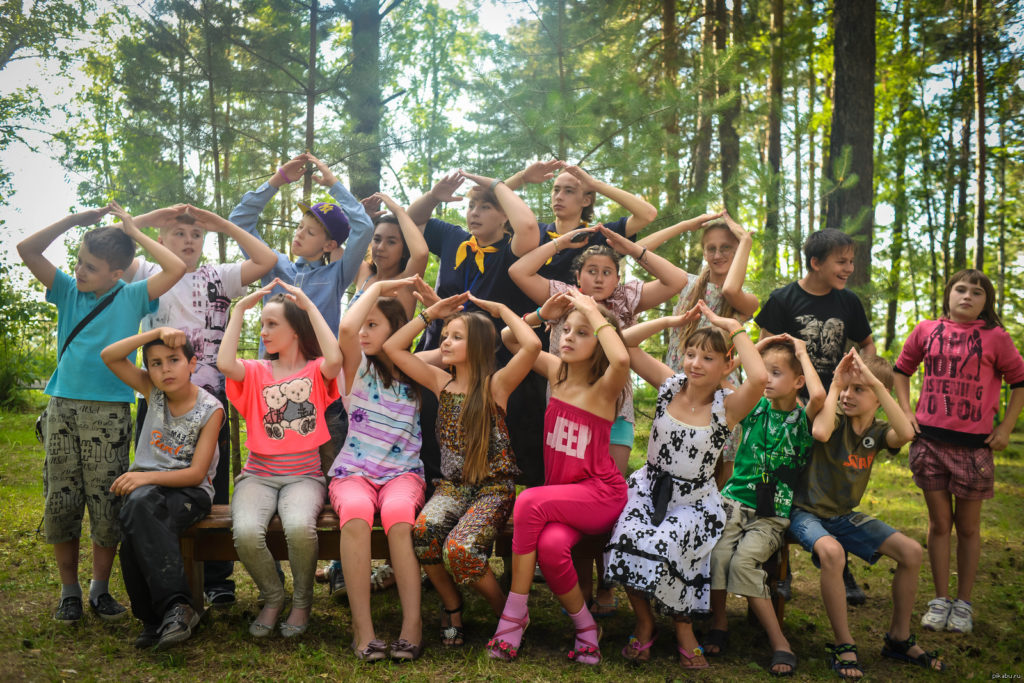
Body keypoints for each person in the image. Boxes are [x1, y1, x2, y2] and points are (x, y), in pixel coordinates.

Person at [17, 201, 186, 624]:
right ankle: (68, 591)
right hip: (62, 408)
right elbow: (27, 249)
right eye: (79, 262)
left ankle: (100, 589)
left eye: (91, 267)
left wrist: (134, 229)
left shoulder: (132, 297)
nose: (79, 271)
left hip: (109, 413)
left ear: (117, 272)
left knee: (105, 502)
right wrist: (74, 220)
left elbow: (175, 268)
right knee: (63, 499)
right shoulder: (67, 291)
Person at [510, 223, 686, 614]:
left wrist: (631, 248)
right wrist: (557, 246)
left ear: (618, 278)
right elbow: (518, 273)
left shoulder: (623, 301)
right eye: (592, 271)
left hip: (611, 414)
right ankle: (583, 592)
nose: (600, 277)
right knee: (569, 497)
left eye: (608, 271)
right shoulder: (562, 299)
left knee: (598, 505)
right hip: (568, 412)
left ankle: (607, 586)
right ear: (577, 275)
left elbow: (675, 282)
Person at [124, 203, 277, 608]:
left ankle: (218, 580)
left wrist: (220, 224)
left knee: (212, 486)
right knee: (156, 476)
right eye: (177, 233)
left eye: (195, 235)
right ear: (160, 239)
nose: (188, 240)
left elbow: (266, 260)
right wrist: (152, 216)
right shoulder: (145, 273)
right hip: (157, 397)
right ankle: (165, 563)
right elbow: (118, 239)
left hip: (209, 403)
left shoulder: (219, 276)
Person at [604, 303, 768, 670]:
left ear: (726, 365)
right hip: (648, 490)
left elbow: (757, 379)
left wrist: (732, 328)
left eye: (707, 357)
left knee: (669, 544)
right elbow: (621, 344)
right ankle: (645, 624)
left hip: (692, 502)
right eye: (690, 353)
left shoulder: (728, 407)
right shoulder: (669, 387)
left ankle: (683, 628)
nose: (695, 363)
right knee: (627, 538)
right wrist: (669, 321)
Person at [383, 292, 541, 649]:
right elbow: (394, 349)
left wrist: (501, 309)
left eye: (456, 337)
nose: (446, 343)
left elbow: (530, 346)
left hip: (492, 489)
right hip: (452, 487)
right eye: (444, 337)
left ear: (480, 345)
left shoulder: (496, 385)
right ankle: (453, 605)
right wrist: (431, 315)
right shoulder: (442, 383)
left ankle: (509, 615)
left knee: (461, 549)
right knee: (423, 533)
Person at [486, 292, 629, 665]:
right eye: (566, 330)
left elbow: (623, 357)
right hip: (563, 499)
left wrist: (592, 311)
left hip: (600, 495)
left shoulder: (604, 388)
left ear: (599, 340)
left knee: (528, 500)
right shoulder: (556, 372)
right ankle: (585, 629)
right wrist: (539, 314)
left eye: (582, 333)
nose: (567, 337)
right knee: (550, 548)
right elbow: (510, 338)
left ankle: (514, 616)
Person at [790, 350, 945, 679]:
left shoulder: (878, 430)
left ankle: (898, 639)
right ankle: (843, 643)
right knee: (832, 553)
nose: (848, 394)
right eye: (847, 388)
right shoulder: (833, 416)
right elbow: (821, 432)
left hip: (844, 516)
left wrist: (875, 380)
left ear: (878, 396)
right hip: (806, 513)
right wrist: (836, 385)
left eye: (858, 389)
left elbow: (905, 434)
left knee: (912, 552)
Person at [894, 270, 1024, 635]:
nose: (967, 296)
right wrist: (906, 411)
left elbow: (1020, 382)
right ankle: (940, 599)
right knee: (939, 524)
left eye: (977, 292)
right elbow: (901, 370)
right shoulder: (925, 330)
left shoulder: (995, 338)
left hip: (974, 448)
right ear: (948, 294)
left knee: (967, 528)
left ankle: (963, 603)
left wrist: (1006, 426)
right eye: (961, 289)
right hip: (929, 443)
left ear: (987, 302)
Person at [228, 152, 373, 477]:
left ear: (329, 245)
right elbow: (239, 222)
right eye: (300, 227)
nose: (299, 234)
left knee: (327, 474)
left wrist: (334, 184)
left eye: (310, 232)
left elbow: (364, 228)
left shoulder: (337, 275)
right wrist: (278, 179)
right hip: (274, 388)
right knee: (275, 470)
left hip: (320, 389)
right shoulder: (274, 265)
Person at [754, 227, 875, 604]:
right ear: (816, 262)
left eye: (852, 261)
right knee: (781, 483)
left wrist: (860, 387)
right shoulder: (783, 300)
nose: (849, 268)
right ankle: (779, 567)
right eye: (842, 261)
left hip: (833, 412)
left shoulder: (848, 303)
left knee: (829, 489)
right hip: (790, 411)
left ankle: (839, 566)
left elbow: (866, 344)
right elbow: (761, 354)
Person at [218, 278, 342, 638]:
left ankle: (302, 602)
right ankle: (273, 597)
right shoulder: (256, 371)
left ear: (295, 330)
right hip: (258, 475)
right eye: (262, 324)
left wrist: (308, 304)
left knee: (300, 529)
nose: (265, 332)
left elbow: (335, 357)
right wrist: (240, 309)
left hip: (304, 476)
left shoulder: (316, 371)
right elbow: (226, 363)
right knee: (244, 533)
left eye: (272, 324)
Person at [706, 334, 825, 675]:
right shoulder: (754, 407)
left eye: (777, 373)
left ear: (797, 381)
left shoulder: (803, 420)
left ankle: (779, 642)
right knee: (718, 554)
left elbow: (818, 394)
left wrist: (801, 351)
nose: (767, 379)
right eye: (764, 372)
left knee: (744, 562)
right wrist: (754, 350)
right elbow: (723, 377)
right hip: (735, 500)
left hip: (771, 513)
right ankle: (719, 622)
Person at [101, 327, 223, 650]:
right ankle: (161, 616)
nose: (164, 369)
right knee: (136, 511)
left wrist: (145, 477)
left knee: (136, 509)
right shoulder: (151, 393)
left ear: (193, 364)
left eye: (173, 360)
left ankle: (168, 609)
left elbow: (197, 473)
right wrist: (152, 333)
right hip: (147, 493)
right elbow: (109, 355)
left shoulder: (210, 409)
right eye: (155, 364)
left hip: (190, 493)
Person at [328, 278, 426, 661]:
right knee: (355, 516)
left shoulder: (415, 368)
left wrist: (433, 309)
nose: (364, 332)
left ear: (395, 330)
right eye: (364, 324)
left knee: (399, 518)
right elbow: (347, 329)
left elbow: (462, 341)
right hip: (354, 472)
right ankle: (363, 630)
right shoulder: (357, 368)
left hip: (403, 474)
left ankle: (411, 626)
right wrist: (382, 284)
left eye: (375, 324)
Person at [649, 212, 759, 489]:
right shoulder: (685, 284)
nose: (717, 254)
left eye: (726, 248)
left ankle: (719, 514)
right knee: (674, 458)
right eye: (711, 248)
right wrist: (687, 224)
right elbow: (643, 250)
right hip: (679, 383)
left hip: (719, 388)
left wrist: (746, 240)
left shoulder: (745, 299)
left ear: (738, 253)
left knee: (723, 458)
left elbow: (731, 289)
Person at [504, 161, 657, 284]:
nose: (559, 196)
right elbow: (487, 204)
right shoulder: (533, 232)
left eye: (569, 191)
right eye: (556, 190)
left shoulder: (598, 236)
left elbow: (647, 214)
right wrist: (521, 178)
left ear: (586, 200)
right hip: (523, 321)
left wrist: (596, 184)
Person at [347, 193, 429, 318]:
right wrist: (358, 218)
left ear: (404, 251)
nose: (380, 247)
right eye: (377, 239)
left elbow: (421, 254)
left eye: (391, 242)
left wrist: (398, 211)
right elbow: (330, 243)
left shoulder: (406, 283)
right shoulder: (363, 273)